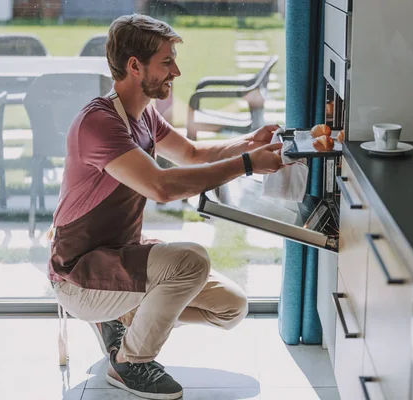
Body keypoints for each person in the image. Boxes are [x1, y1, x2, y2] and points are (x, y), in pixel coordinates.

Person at [48, 14, 284, 400]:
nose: (176, 69)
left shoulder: (143, 115)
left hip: (117, 258)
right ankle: (131, 363)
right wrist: (247, 166)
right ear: (134, 66)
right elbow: (161, 186)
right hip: (79, 274)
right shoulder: (100, 122)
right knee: (190, 260)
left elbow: (190, 153)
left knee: (231, 307)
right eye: (166, 61)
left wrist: (248, 144)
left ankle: (119, 322)